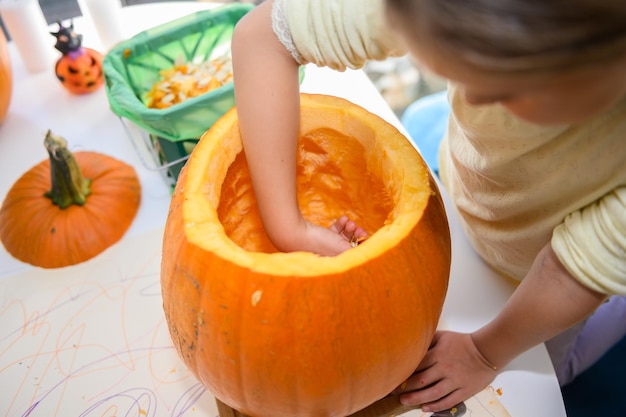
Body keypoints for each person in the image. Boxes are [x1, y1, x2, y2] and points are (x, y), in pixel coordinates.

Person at [231, 0, 626, 412]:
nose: (471, 96)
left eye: (506, 86)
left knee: (548, 366)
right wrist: (288, 228)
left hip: (549, 276)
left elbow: (568, 276)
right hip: (475, 199)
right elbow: (262, 37)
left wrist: (483, 354)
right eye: (454, 68)